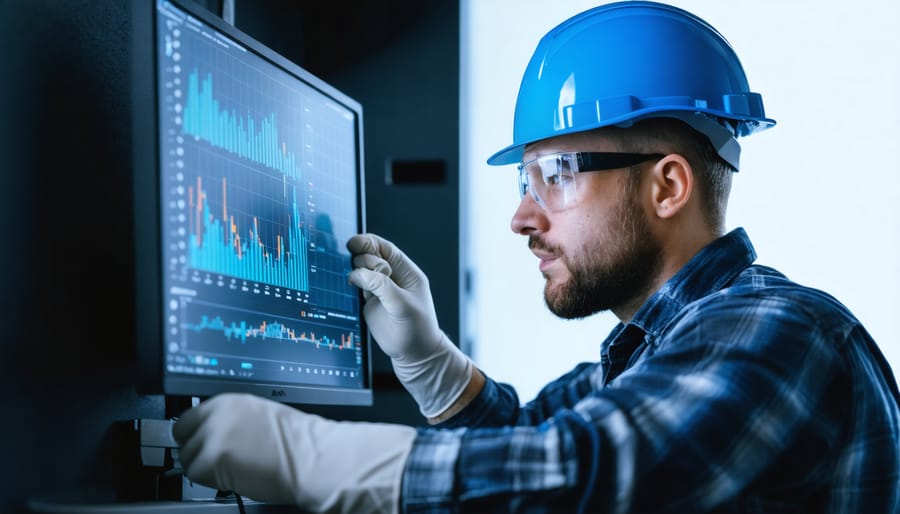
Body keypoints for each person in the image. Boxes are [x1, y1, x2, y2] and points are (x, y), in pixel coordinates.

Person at [171, 2, 900, 513]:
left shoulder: (781, 333)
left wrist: (317, 461)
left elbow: (590, 475)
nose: (523, 216)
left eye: (557, 176)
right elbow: (533, 444)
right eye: (525, 181)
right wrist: (439, 372)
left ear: (668, 185)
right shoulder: (658, 352)